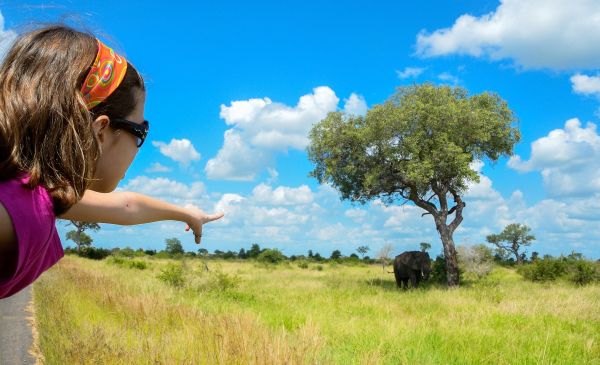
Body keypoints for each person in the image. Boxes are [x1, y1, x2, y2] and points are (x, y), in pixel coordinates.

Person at [0, 25, 224, 299]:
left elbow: (126, 206)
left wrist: (187, 213)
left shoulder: (33, 190)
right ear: (101, 131)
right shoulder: (21, 208)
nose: (141, 145)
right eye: (140, 131)